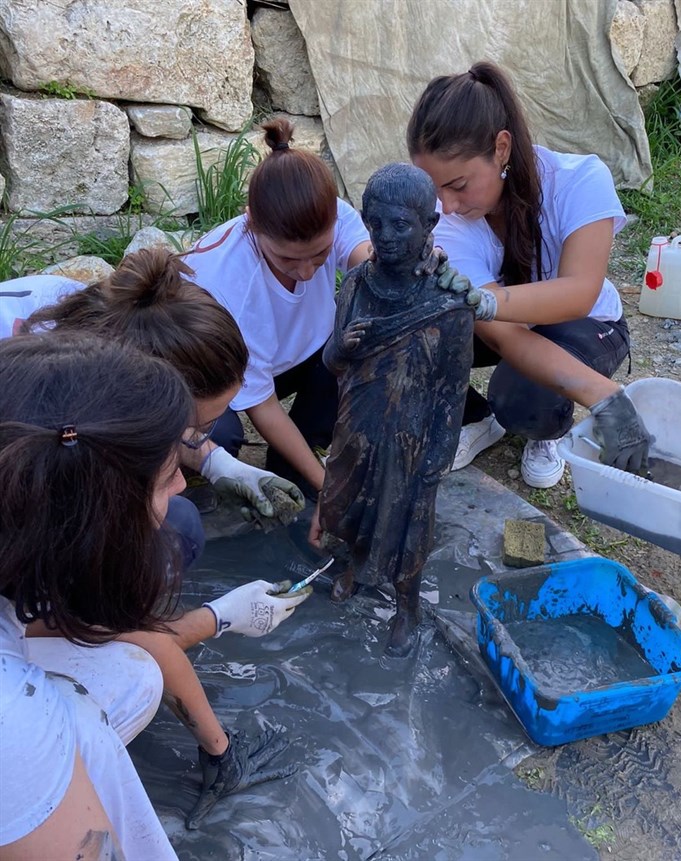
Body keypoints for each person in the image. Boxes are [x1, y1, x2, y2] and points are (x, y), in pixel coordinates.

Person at [406, 61, 650, 485]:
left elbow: (579, 293)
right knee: (404, 327)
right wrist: (484, 306)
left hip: (584, 323)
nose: (445, 204)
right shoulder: (446, 219)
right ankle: (478, 418)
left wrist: (604, 397)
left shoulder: (579, 180)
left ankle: (546, 430)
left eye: (459, 185)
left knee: (524, 397)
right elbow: (500, 331)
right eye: (434, 188)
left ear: (501, 148)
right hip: (506, 325)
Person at [0, 332, 192, 858]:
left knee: (126, 680)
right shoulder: (10, 721)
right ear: (99, 523)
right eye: (167, 476)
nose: (180, 488)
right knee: (72, 721)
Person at [24, 248, 306, 552]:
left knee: (180, 522)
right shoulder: (40, 405)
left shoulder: (117, 316)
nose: (181, 485)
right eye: (190, 424)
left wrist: (220, 465)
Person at [315, 163, 475, 657]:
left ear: (429, 225)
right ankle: (354, 569)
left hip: (413, 435)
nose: (385, 237)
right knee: (348, 506)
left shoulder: (449, 301)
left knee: (407, 521)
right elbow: (332, 361)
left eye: (401, 225)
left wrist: (438, 457)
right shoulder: (358, 285)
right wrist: (343, 346)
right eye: (375, 223)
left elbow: (453, 387)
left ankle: (407, 606)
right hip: (358, 425)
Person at [183, 117, 372, 503]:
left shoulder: (330, 214)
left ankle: (295, 458)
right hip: (211, 372)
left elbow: (368, 261)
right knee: (219, 435)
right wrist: (328, 489)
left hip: (293, 354)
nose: (306, 272)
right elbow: (262, 405)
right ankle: (205, 480)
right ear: (252, 224)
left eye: (319, 255)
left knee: (359, 349)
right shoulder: (229, 285)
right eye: (288, 260)